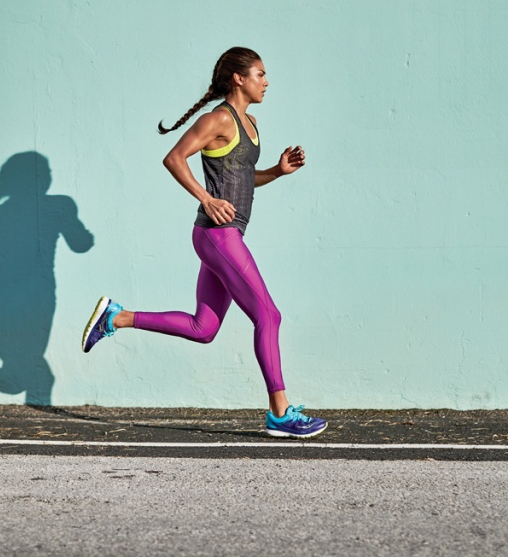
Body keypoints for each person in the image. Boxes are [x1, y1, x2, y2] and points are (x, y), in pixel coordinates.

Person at [81, 46, 326, 438]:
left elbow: (243, 178)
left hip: (224, 237)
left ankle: (116, 317)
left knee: (203, 328)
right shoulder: (218, 120)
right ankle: (280, 412)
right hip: (217, 237)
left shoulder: (251, 123)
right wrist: (206, 198)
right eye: (260, 74)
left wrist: (277, 173)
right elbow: (175, 158)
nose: (267, 82)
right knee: (269, 315)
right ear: (239, 78)